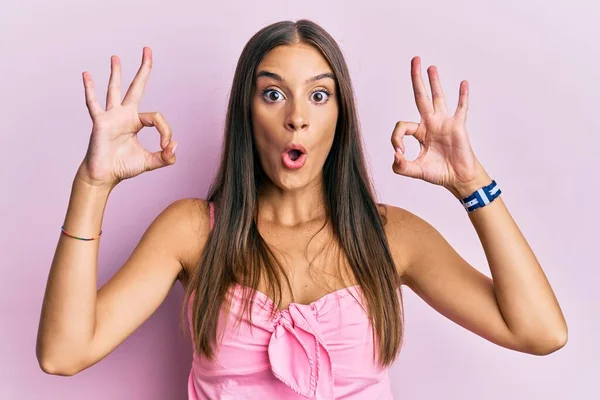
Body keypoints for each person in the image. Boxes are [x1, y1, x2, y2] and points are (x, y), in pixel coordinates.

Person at [36, 19, 567, 399]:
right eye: (273, 95)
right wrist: (93, 183)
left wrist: (473, 183)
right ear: (247, 113)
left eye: (318, 95)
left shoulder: (391, 237)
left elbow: (540, 332)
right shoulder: (193, 231)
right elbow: (63, 354)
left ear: (340, 114)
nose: (297, 117)